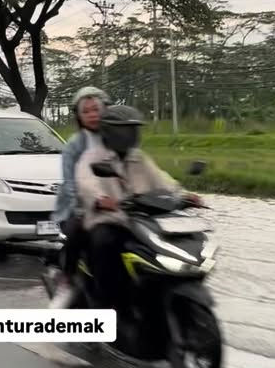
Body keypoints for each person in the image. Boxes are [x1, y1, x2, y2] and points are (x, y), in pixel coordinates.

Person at [75, 104, 202, 312]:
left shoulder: (139, 157)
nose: (130, 134)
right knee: (104, 242)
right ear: (108, 131)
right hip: (109, 219)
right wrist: (101, 199)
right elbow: (85, 182)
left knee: (172, 242)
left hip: (142, 218)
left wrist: (184, 195)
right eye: (124, 129)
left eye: (133, 129)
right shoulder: (92, 157)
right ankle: (106, 302)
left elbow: (162, 180)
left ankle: (154, 291)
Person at [49, 86, 110, 309]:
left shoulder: (117, 139)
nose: (93, 115)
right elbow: (70, 182)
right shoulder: (74, 146)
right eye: (87, 111)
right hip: (77, 207)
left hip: (113, 206)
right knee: (78, 229)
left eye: (97, 109)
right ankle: (67, 279)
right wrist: (81, 206)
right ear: (79, 116)